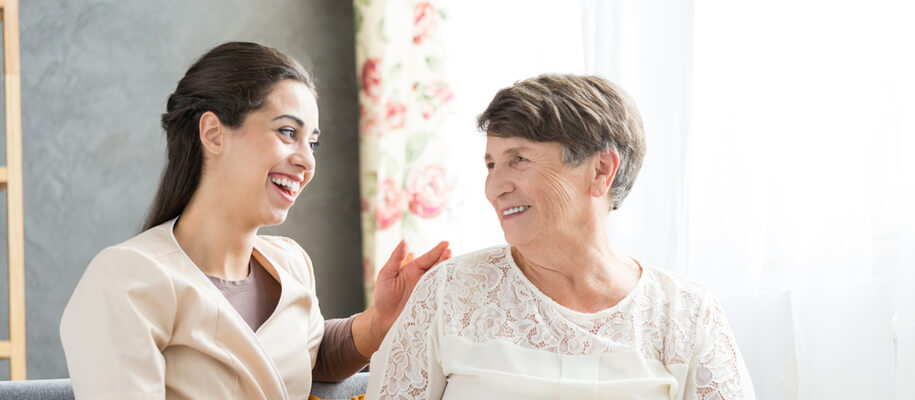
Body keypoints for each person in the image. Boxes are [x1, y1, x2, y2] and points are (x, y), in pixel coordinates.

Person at [59, 42, 450, 400]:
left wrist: (378, 323)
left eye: (311, 142)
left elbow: (307, 358)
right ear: (213, 133)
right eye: (287, 132)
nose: (307, 161)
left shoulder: (291, 263)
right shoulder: (126, 279)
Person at [365, 74, 755, 399]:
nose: (494, 187)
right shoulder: (449, 294)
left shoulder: (686, 314)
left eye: (519, 159)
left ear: (602, 169)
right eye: (491, 164)